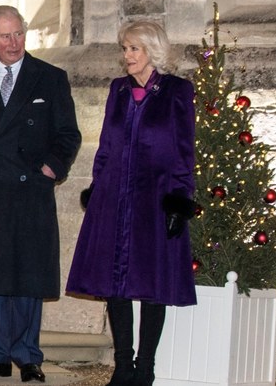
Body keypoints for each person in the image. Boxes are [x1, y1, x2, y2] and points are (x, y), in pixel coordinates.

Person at [0, 5, 82, 382]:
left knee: (28, 275)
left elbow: (68, 135)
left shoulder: (50, 78)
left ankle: (28, 357)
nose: (14, 43)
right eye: (6, 36)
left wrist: (51, 169)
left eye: (19, 34)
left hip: (30, 192)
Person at [66, 20, 196, 386]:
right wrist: (96, 188)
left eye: (133, 49)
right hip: (114, 197)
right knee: (114, 284)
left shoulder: (177, 91)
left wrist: (179, 200)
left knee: (153, 286)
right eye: (124, 49)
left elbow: (184, 152)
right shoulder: (118, 90)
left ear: (152, 51)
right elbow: (106, 146)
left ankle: (145, 369)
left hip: (156, 198)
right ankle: (122, 367)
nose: (127, 56)